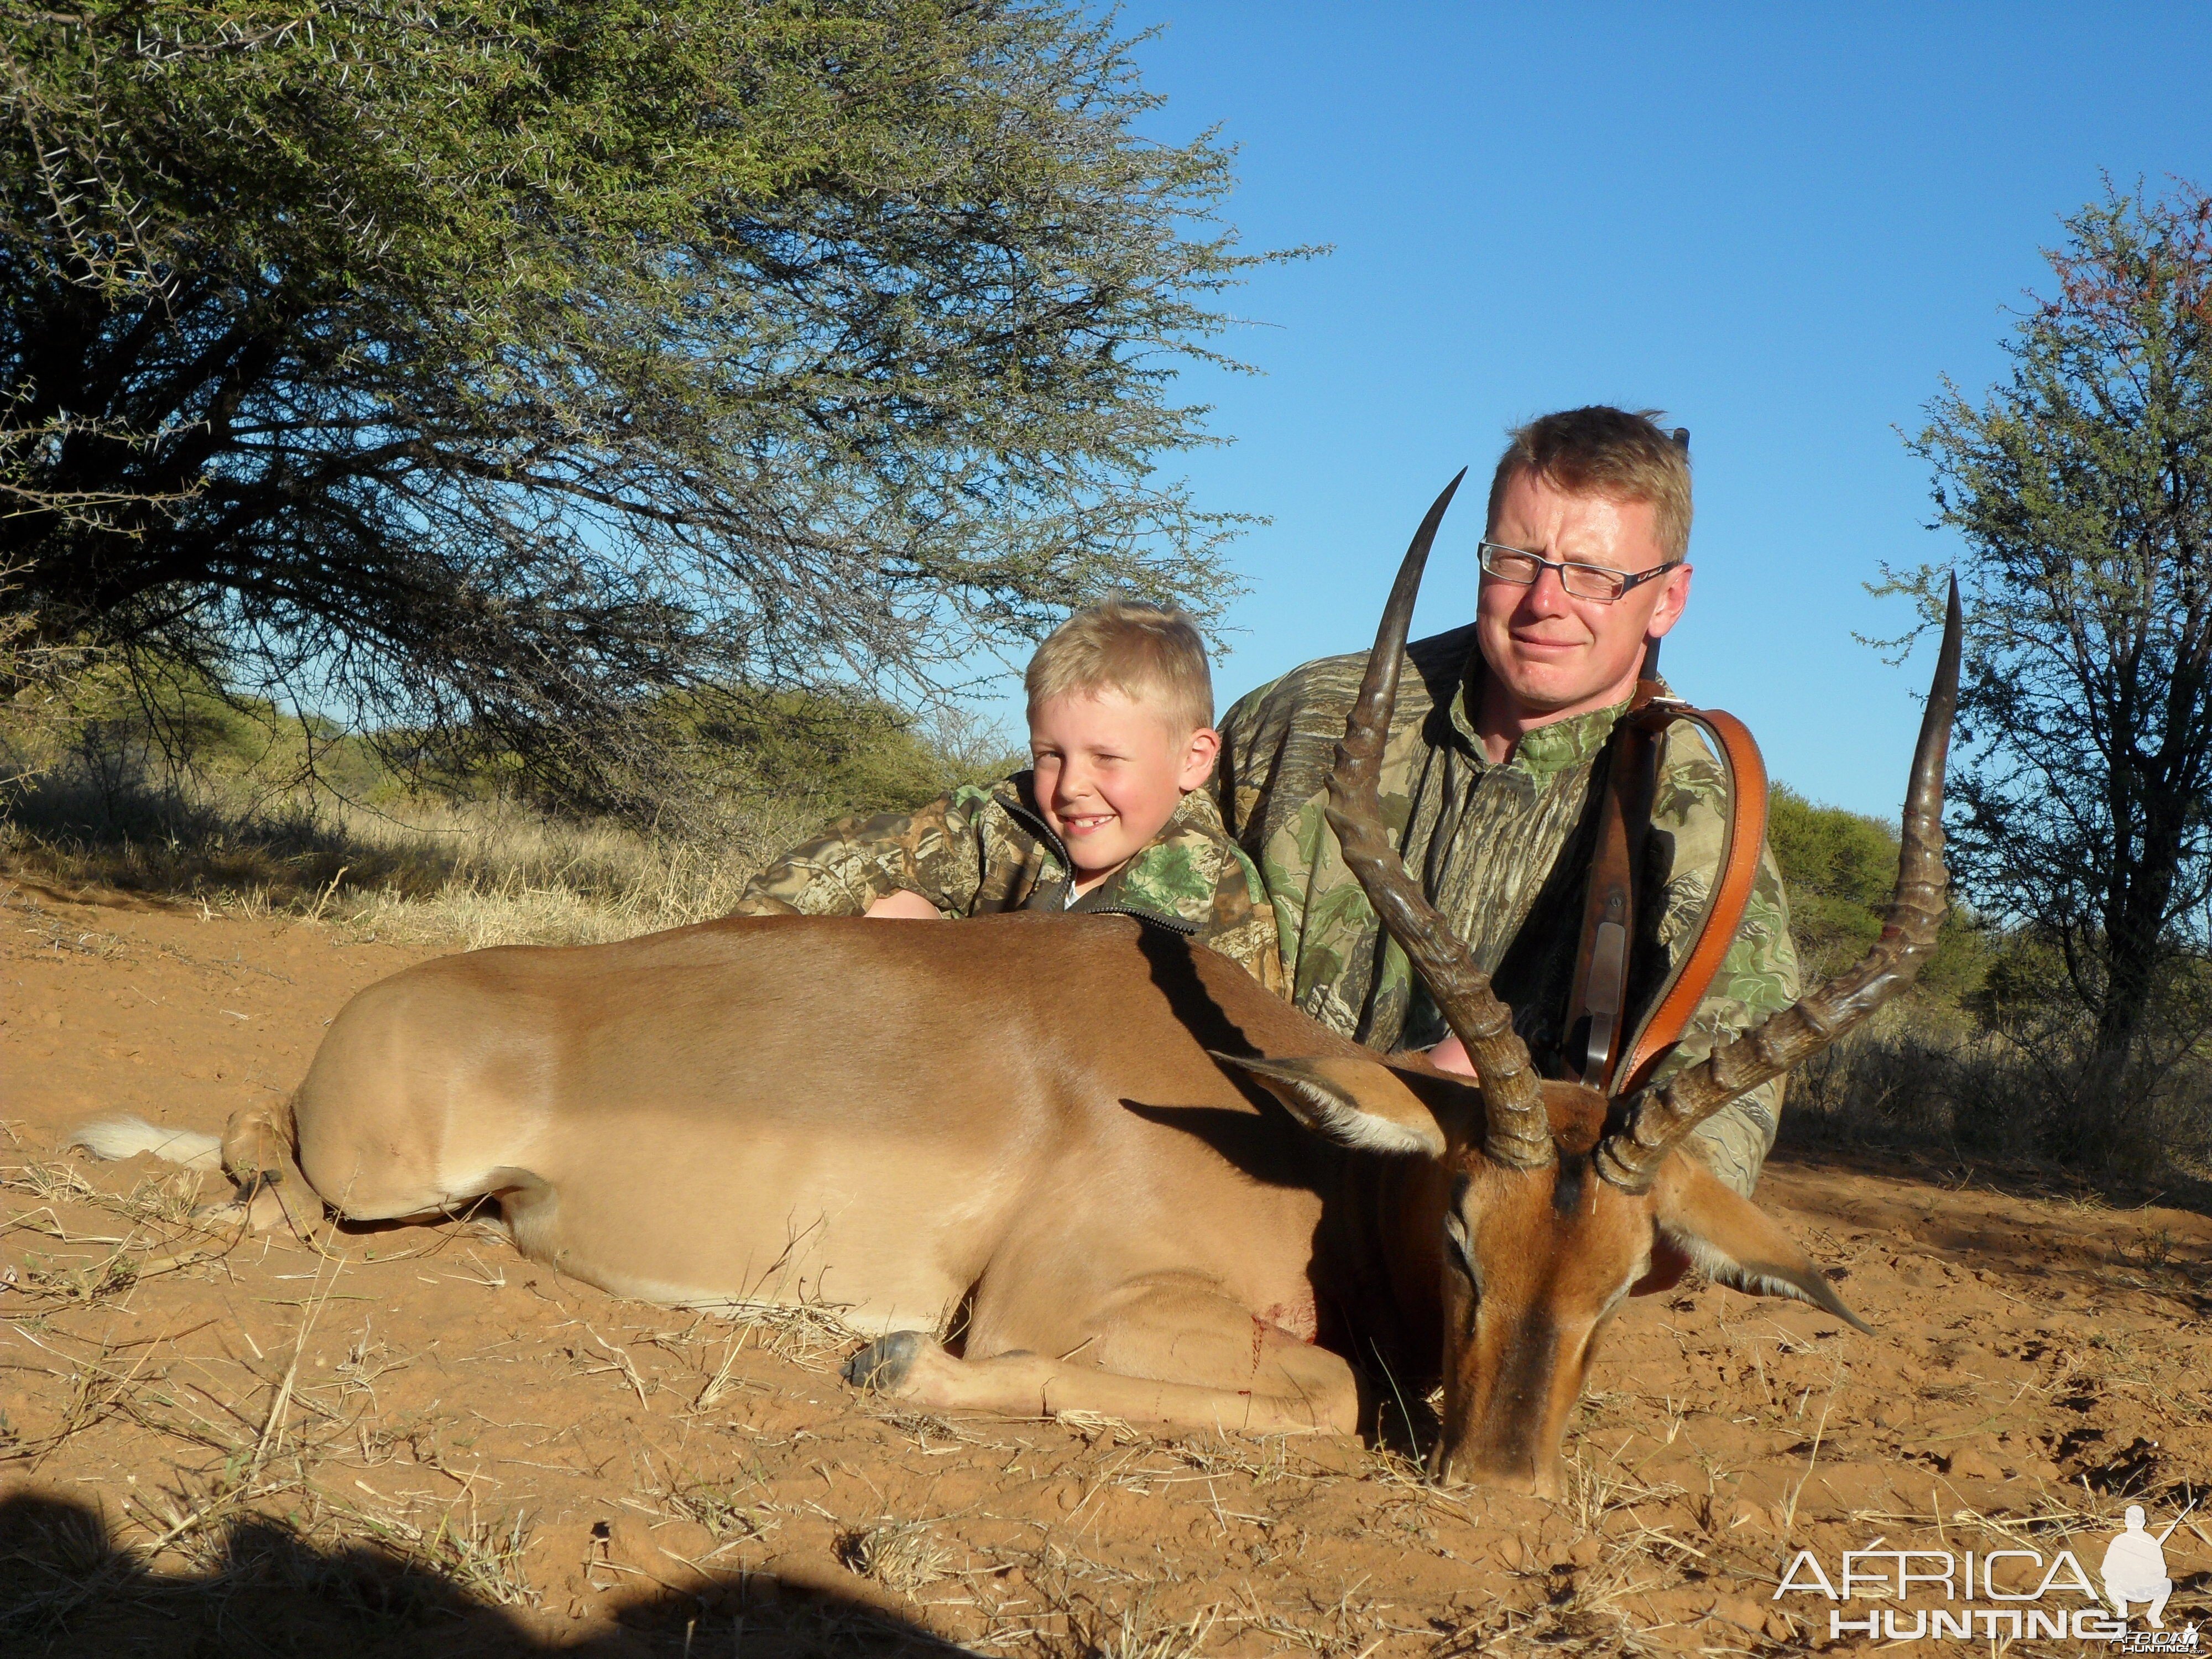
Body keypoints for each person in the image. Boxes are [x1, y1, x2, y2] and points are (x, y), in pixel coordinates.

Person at [1215, 406, 1799, 1194]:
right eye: (1517, 560)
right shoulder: (1312, 712)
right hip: (1239, 1174)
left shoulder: (1693, 797)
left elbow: (1733, 1074)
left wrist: (1639, 1196)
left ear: (1667, 600)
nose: (1546, 603)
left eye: (1596, 575)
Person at [732, 601, 1285, 993]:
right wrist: (745, 946)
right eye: (1050, 755)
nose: (1070, 787)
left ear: (1193, 759)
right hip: (970, 1041)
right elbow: (860, 852)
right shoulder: (1003, 819)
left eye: (1107, 758)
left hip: (1084, 1105)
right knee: (887, 907)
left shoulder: (1224, 905)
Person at [2101, 1505, 2176, 1627]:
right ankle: (2122, 1608)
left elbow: (2161, 1571)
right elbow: (2106, 1572)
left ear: (2126, 1522)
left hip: (2143, 1589)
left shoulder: (2148, 1541)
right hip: (2127, 1588)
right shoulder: (2120, 1541)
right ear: (2144, 1522)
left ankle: (2154, 1615)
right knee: (2166, 1583)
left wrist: (2145, 1572)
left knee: (2166, 1583)